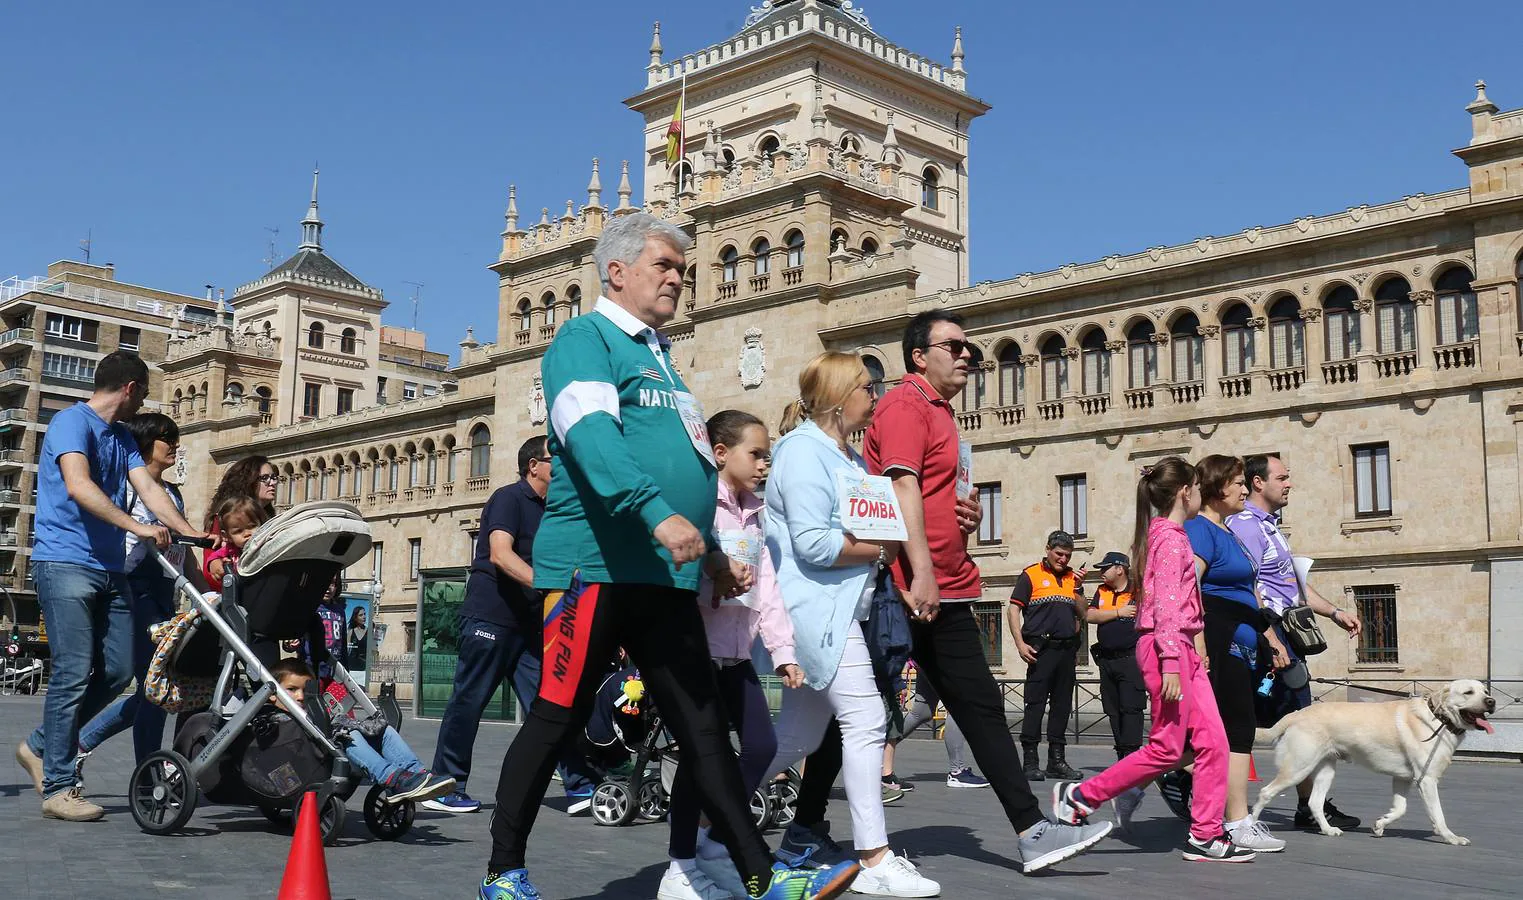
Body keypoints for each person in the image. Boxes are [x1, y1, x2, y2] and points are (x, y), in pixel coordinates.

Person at [481, 213, 857, 900]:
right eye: (664, 265)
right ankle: (504, 871)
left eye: (682, 269)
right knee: (555, 716)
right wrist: (657, 515)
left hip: (664, 575)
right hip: (590, 571)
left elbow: (686, 460)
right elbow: (592, 438)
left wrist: (709, 551)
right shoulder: (582, 340)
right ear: (616, 271)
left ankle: (761, 876)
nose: (678, 278)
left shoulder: (658, 357)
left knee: (703, 726)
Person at [863, 309, 1110, 873]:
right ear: (919, 356)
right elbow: (901, 487)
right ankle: (786, 818)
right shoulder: (905, 405)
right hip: (914, 590)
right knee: (849, 714)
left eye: (970, 348)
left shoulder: (941, 413)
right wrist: (920, 570)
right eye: (954, 346)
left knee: (976, 709)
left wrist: (960, 515)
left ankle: (1031, 830)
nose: (968, 355)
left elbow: (922, 494)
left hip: (943, 586)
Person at [763, 351, 938, 897]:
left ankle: (703, 809)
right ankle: (874, 857)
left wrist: (887, 562)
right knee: (863, 721)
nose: (875, 397)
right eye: (867, 388)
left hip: (846, 610)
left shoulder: (851, 459)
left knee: (798, 736)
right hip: (819, 613)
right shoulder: (801, 454)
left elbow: (869, 528)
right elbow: (812, 543)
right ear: (840, 399)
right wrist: (879, 550)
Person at [14, 351, 212, 821]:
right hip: (64, 563)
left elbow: (148, 489)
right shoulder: (70, 423)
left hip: (109, 570)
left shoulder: (123, 437)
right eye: (143, 392)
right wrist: (138, 528)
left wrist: (188, 531)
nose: (143, 402)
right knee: (72, 670)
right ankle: (60, 786)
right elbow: (80, 486)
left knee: (120, 671)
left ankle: (41, 745)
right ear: (130, 387)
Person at [1050, 458, 1253, 862]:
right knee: (1165, 748)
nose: (1199, 493)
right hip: (1166, 650)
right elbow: (1166, 608)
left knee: (1215, 743)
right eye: (1196, 486)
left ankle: (1206, 833)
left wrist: (1191, 652)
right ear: (1186, 492)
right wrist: (1174, 661)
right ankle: (1079, 796)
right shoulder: (1170, 539)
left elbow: (1178, 608)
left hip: (1178, 649)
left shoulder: (1169, 535)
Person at [662, 409, 802, 900]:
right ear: (721, 454)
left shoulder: (756, 514)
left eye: (768, 455)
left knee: (762, 748)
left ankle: (718, 836)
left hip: (737, 654)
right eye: (756, 454)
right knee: (700, 760)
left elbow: (768, 589)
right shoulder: (702, 507)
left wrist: (783, 651)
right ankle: (680, 867)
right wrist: (714, 579)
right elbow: (679, 569)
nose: (764, 464)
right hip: (697, 651)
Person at [428, 436, 597, 814]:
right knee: (468, 702)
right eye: (556, 461)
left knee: (552, 703)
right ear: (533, 465)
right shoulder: (509, 498)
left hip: (530, 624)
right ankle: (445, 784)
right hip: (491, 616)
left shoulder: (556, 509)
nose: (563, 468)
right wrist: (548, 583)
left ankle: (580, 785)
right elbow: (501, 555)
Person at [1228, 454, 1362, 832]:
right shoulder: (1246, 527)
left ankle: (1308, 806)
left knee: (1296, 722)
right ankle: (1181, 773)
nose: (1289, 484)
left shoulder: (1270, 528)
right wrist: (1270, 638)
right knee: (1241, 722)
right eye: (1282, 477)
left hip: (1284, 636)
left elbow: (1293, 586)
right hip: (1266, 637)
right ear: (1258, 482)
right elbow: (1246, 586)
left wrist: (1335, 612)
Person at [75, 413, 211, 775]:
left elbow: (186, 554)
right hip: (135, 588)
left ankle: (82, 741)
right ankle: (149, 774)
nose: (175, 446)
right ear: (146, 444)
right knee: (154, 686)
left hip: (166, 590)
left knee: (158, 689)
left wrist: (208, 594)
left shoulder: (173, 493)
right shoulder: (127, 490)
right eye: (168, 439)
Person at [1184, 455, 1287, 854]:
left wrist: (1270, 637)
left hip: (1243, 638)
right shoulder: (1200, 530)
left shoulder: (1229, 533)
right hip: (1218, 633)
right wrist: (1199, 643)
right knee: (1234, 726)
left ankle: (1139, 781)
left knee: (1228, 730)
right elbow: (1188, 588)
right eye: (1240, 482)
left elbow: (1252, 592)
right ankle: (1237, 821)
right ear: (1217, 487)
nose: (1246, 489)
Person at [270, 658, 454, 804]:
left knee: (384, 731)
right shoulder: (275, 719)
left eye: (306, 691)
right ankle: (392, 779)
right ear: (271, 693)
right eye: (291, 690)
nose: (300, 696)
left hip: (335, 747)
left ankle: (417, 775)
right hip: (312, 759)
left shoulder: (313, 710)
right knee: (349, 735)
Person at [1008, 530, 1086, 782]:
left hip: (1066, 651)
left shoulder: (1073, 577)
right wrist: (1020, 644)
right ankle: (1030, 762)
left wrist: (1080, 589)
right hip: (1041, 650)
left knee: (1062, 707)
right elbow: (1012, 610)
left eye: (1067, 555)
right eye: (1059, 554)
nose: (1063, 559)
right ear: (1048, 549)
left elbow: (1082, 613)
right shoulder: (1031, 574)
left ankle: (1057, 761)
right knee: (1035, 705)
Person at [1085, 550, 1145, 822]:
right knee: (1113, 709)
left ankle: (1133, 762)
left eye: (1106, 568)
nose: (1102, 572)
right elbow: (1090, 616)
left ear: (1120, 568)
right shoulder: (1101, 590)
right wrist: (1119, 612)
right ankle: (1123, 759)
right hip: (1107, 661)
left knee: (1131, 709)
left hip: (1131, 660)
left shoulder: (1138, 590)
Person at [882, 671, 988, 791]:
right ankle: (957, 772)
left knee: (922, 712)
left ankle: (878, 755)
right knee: (959, 709)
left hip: (925, 661)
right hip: (943, 660)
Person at [202, 495, 269, 586]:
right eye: (238, 531)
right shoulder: (231, 549)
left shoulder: (266, 546)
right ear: (227, 536)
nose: (247, 534)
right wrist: (214, 563)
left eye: (252, 526)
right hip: (236, 594)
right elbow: (214, 557)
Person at [204, 454, 279, 530]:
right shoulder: (225, 518)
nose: (273, 483)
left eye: (273, 477)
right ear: (249, 481)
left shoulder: (270, 519)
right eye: (265, 478)